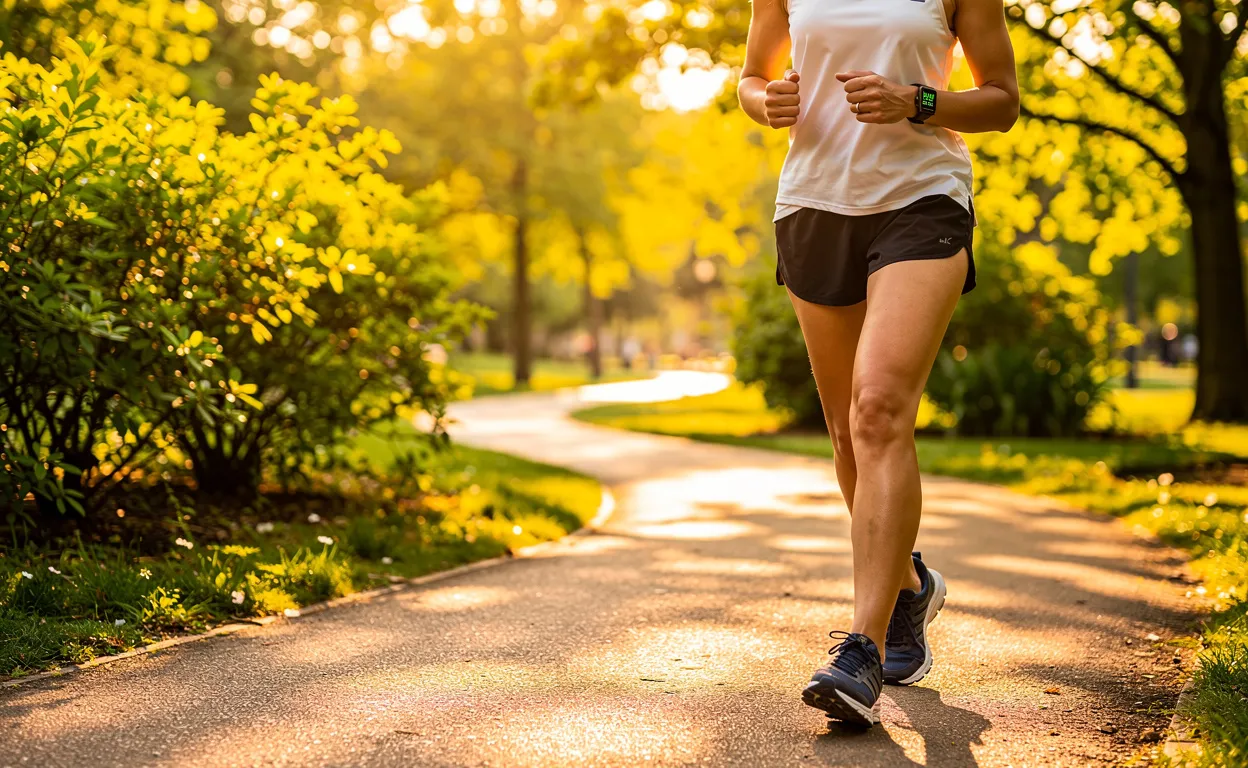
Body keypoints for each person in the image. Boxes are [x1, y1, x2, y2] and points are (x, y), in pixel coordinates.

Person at [738, 0, 1018, 727]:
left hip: (921, 200)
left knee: (879, 409)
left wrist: (917, 101)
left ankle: (861, 646)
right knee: (844, 433)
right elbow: (748, 78)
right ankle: (911, 583)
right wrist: (764, 100)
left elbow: (1002, 100)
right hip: (814, 203)